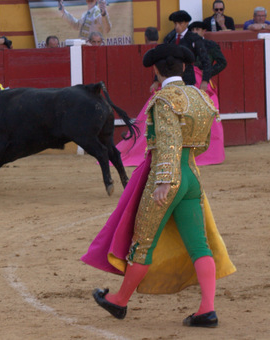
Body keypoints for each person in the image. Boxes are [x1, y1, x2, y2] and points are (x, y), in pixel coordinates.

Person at [85, 43, 235, 327]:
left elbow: (168, 141)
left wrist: (164, 179)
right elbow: (202, 143)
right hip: (192, 175)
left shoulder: (164, 100)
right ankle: (207, 310)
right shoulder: (201, 97)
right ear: (184, 68)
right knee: (199, 245)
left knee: (142, 243)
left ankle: (119, 301)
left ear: (155, 70)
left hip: (167, 177)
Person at [161, 9, 211, 89]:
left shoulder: (194, 38)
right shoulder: (169, 38)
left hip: (187, 79)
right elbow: (161, 60)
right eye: (175, 23)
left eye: (180, 23)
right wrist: (156, 80)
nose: (177, 26)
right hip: (170, 79)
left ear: (187, 23)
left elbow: (205, 60)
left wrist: (205, 80)